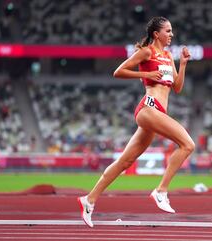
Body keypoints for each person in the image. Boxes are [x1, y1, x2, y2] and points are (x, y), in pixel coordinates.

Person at [77, 16, 195, 228]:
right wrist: (147, 73)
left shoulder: (168, 56)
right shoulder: (146, 52)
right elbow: (118, 71)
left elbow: (176, 88)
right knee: (188, 144)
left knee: (125, 162)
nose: (172, 35)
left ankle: (89, 200)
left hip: (157, 111)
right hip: (148, 108)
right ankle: (161, 191)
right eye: (168, 31)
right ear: (156, 33)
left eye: (172, 31)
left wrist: (183, 64)